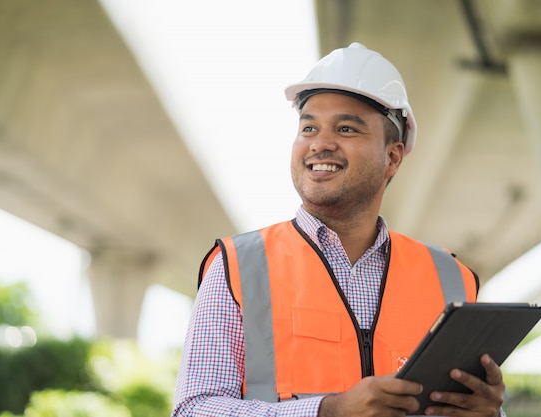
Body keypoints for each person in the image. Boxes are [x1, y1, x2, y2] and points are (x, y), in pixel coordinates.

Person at [171, 42, 506, 417]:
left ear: (392, 157)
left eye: (346, 128)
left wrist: (490, 414)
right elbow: (194, 409)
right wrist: (328, 411)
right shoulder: (237, 267)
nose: (320, 144)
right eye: (309, 127)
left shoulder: (451, 277)